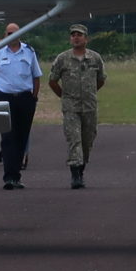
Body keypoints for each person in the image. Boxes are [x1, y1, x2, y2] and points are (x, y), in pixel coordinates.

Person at [47, 23, 106, 190]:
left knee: (87, 140)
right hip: (71, 107)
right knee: (74, 140)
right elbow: (52, 81)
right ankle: (75, 175)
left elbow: (101, 80)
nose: (76, 38)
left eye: (79, 35)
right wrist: (64, 96)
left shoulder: (95, 58)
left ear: (86, 38)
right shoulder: (62, 58)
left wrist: (90, 93)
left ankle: (82, 168)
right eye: (73, 35)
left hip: (89, 106)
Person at [0, 22, 41, 189]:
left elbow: (36, 77)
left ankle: (16, 175)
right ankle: (9, 177)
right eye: (8, 33)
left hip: (24, 98)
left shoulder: (29, 52)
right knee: (8, 138)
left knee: (22, 137)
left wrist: (33, 98)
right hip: (4, 97)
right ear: (5, 35)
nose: (11, 36)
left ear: (20, 34)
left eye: (14, 33)